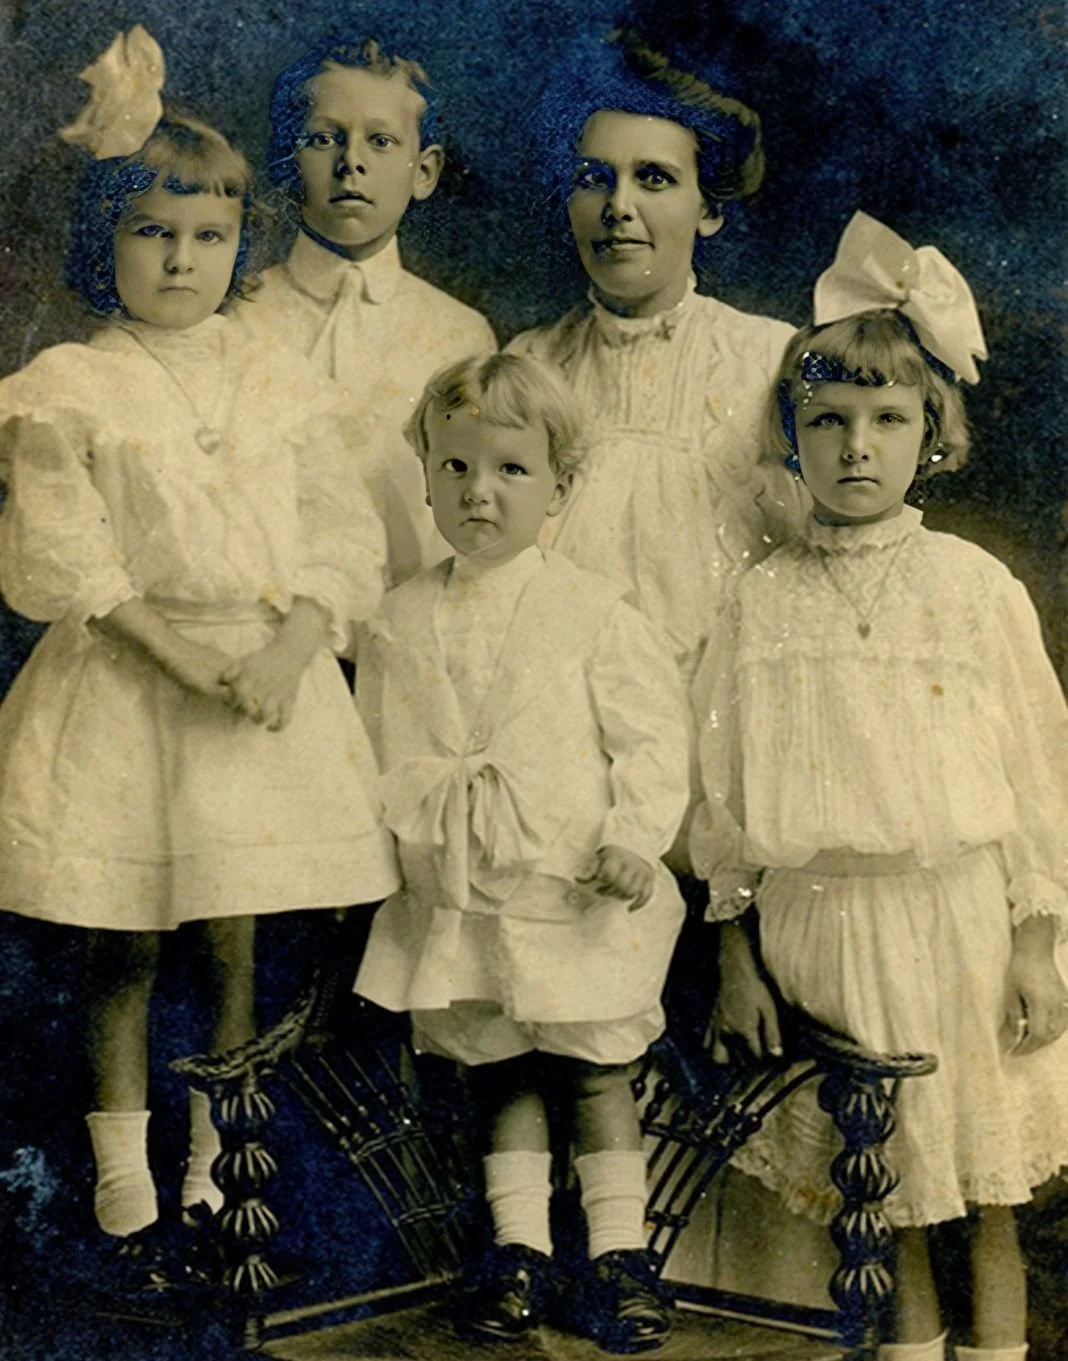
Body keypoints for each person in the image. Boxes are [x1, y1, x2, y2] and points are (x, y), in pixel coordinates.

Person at [0, 28, 398, 1245]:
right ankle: (122, 1153)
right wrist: (185, 660)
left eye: (210, 237)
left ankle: (222, 1150)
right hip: (136, 676)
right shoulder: (72, 381)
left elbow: (341, 533)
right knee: (123, 939)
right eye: (153, 234)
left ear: (239, 246)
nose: (182, 260)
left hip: (258, 679)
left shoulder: (276, 374)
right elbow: (74, 559)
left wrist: (287, 652)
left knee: (235, 932)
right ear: (106, 242)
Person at [691, 212, 1068, 1361]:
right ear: (792, 439)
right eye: (829, 420)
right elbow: (726, 794)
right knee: (887, 1194)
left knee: (982, 1190)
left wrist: (1039, 936)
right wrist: (735, 951)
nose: (858, 445)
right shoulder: (757, 601)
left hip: (955, 917)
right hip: (825, 929)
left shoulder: (974, 585)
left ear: (932, 435)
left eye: (888, 419)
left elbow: (1037, 771)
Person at [354, 353, 690, 1351]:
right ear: (426, 475)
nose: (479, 493)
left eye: (507, 470)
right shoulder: (399, 615)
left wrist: (635, 837)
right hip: (465, 891)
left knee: (592, 1069)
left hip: (574, 884)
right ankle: (520, 1254)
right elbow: (378, 747)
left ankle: (620, 1253)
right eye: (454, 468)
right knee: (497, 1067)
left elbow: (652, 736)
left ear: (558, 485)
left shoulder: (593, 608)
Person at [509, 28, 798, 682]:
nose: (619, 208)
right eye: (595, 179)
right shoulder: (531, 368)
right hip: (560, 709)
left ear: (708, 210)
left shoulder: (768, 361)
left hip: (726, 704)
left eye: (655, 179)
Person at [236, 35, 497, 588]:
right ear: (288, 161)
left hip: (409, 633)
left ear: (423, 172)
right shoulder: (238, 317)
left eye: (380, 141)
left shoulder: (459, 335)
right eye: (325, 138)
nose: (350, 162)